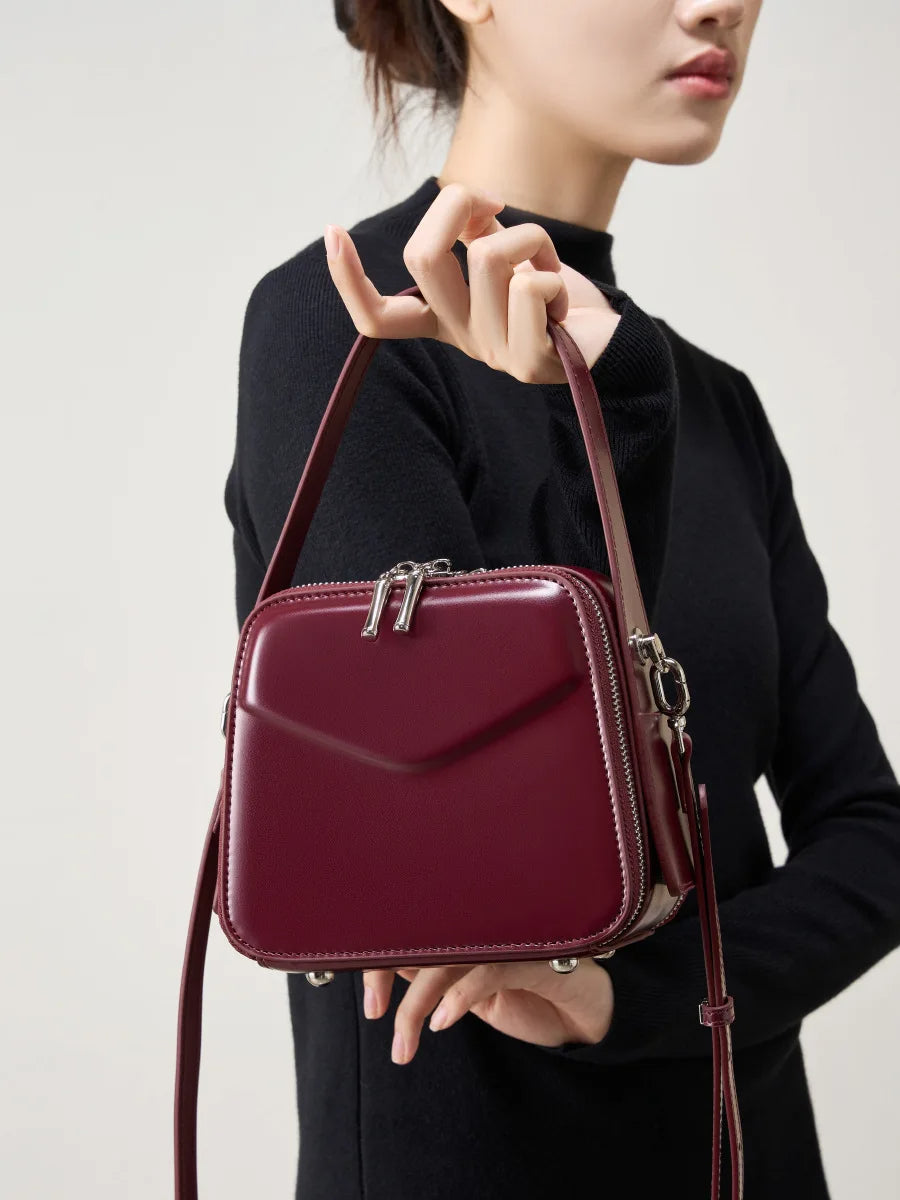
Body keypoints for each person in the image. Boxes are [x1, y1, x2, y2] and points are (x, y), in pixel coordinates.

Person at [222, 2, 900, 1197]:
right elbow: (455, 844)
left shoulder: (708, 399)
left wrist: (633, 999)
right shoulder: (343, 324)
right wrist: (618, 421)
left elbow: (873, 838)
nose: (717, 6)